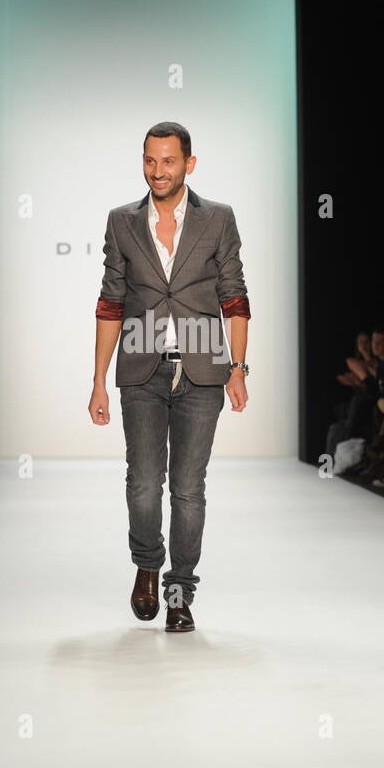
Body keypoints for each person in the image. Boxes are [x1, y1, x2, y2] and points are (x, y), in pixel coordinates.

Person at [88, 121, 251, 633]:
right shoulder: (121, 221)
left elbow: (235, 297)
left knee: (187, 487)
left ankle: (180, 590)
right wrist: (97, 380)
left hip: (204, 369)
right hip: (141, 367)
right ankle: (147, 565)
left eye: (169, 161)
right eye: (150, 160)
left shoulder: (218, 219)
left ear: (189, 164)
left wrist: (238, 368)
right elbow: (111, 301)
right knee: (142, 482)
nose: (158, 171)